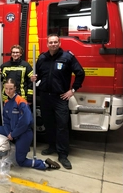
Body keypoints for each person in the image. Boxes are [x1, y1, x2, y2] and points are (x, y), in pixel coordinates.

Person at [32, 34, 85, 169]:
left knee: (62, 125)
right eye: (51, 42)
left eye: (55, 42)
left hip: (60, 97)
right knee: (49, 124)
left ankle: (62, 154)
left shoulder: (67, 57)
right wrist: (34, 78)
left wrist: (72, 90)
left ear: (59, 43)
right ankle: (52, 146)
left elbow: (80, 73)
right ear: (47, 44)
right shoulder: (42, 58)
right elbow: (37, 74)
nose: (53, 44)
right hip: (45, 96)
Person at [0, 78, 60, 170]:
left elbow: (25, 123)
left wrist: (13, 134)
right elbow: (6, 121)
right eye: (6, 89)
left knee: (20, 161)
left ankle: (44, 164)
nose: (8, 91)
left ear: (15, 88)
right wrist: (9, 133)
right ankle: (14, 147)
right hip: (13, 132)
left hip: (24, 134)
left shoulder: (21, 102)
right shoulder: (7, 103)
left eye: (11, 89)